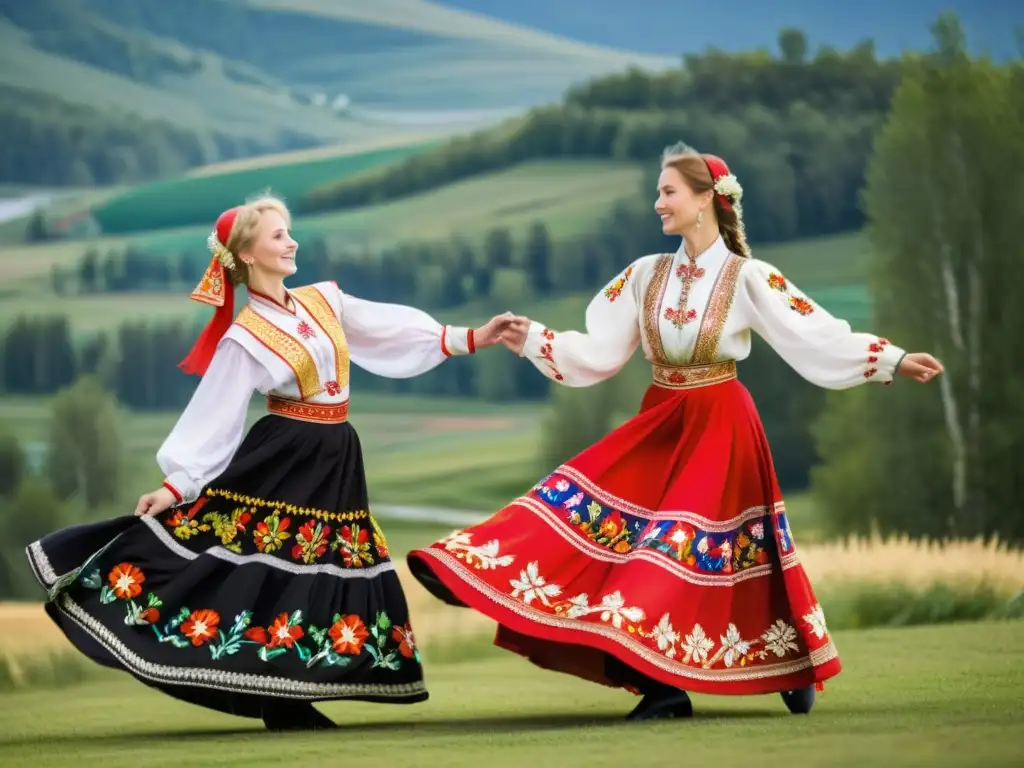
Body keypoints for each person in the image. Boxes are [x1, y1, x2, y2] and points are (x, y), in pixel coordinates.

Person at [406, 144, 943, 721]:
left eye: (668, 192)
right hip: (661, 420)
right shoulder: (644, 275)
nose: (657, 202)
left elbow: (812, 333)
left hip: (721, 425)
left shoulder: (747, 277)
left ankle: (763, 669)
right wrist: (536, 338)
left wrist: (891, 359)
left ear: (706, 200)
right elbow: (598, 352)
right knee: (576, 502)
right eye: (659, 191)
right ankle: (479, 574)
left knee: (675, 556)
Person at [25, 194, 515, 731]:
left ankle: (294, 690)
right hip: (285, 456)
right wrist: (177, 482)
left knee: (327, 564)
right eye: (279, 235)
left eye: (289, 232)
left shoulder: (324, 300)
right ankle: (283, 700)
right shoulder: (246, 336)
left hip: (336, 452)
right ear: (248, 254)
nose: (292, 242)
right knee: (271, 568)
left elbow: (387, 329)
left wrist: (471, 338)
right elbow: (217, 411)